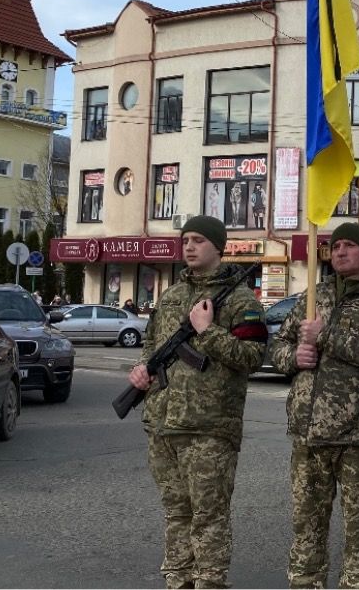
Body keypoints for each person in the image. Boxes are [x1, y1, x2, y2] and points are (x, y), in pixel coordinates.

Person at [125, 215, 266, 589]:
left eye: (199, 240)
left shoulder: (241, 300)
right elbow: (151, 348)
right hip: (163, 424)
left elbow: (253, 357)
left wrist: (207, 332)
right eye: (185, 239)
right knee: (176, 513)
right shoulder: (171, 296)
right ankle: (178, 581)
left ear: (218, 247)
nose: (189, 246)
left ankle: (210, 582)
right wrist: (142, 372)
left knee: (209, 515)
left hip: (209, 428)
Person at [270, 222, 359, 588]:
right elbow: (278, 345)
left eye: (348, 245)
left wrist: (326, 335)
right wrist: (293, 356)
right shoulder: (316, 295)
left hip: (358, 436)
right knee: (307, 528)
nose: (340, 252)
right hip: (309, 433)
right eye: (335, 246)